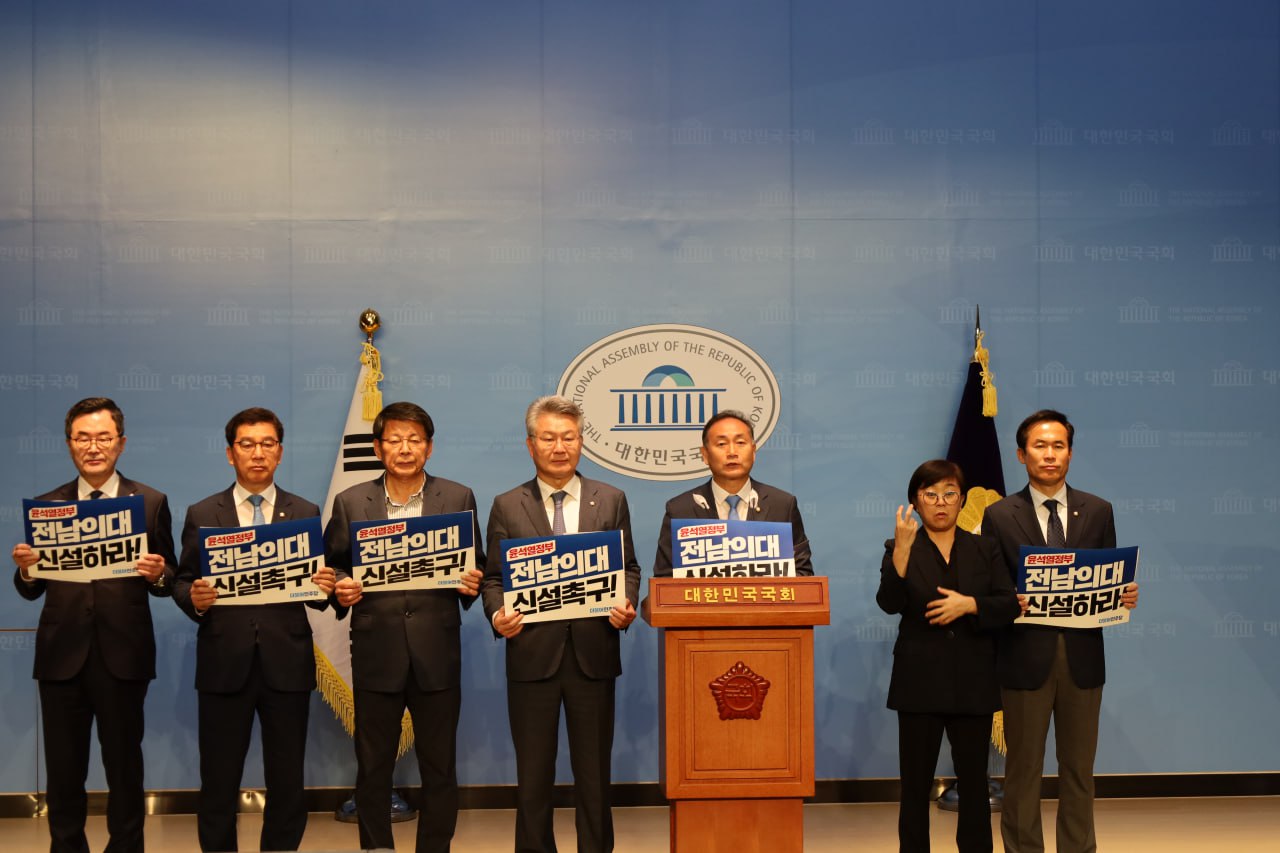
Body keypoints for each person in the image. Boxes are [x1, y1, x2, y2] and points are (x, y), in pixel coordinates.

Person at [10, 396, 176, 853]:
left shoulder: (150, 502)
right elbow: (29, 588)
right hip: (61, 657)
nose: (93, 446)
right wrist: (27, 568)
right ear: (69, 445)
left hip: (124, 656)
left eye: (103, 437)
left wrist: (158, 572)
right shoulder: (48, 507)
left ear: (121, 443)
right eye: (83, 437)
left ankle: (126, 847)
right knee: (64, 770)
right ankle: (66, 847)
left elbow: (170, 580)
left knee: (124, 766)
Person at [171, 408, 338, 852]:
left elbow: (316, 586)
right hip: (224, 664)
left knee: (287, 776)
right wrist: (194, 598)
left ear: (280, 453)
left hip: (287, 662)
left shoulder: (304, 511)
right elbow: (182, 580)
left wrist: (325, 586)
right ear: (230, 454)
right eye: (247, 444)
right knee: (219, 777)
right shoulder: (204, 512)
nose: (257, 453)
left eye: (267, 444)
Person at [480, 395, 641, 853]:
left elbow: (629, 568)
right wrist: (498, 615)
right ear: (530, 444)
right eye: (548, 437)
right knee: (533, 777)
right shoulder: (508, 505)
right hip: (531, 657)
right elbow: (493, 578)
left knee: (594, 775)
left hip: (594, 656)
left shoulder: (610, 499)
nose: (559, 447)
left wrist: (626, 604)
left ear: (581, 442)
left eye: (568, 437)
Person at [325, 401, 485, 853]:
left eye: (415, 439)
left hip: (437, 650)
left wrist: (471, 583)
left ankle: (434, 848)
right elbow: (334, 568)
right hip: (377, 650)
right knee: (372, 765)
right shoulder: (351, 501)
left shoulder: (457, 498)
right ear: (378, 447)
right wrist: (341, 587)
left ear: (429, 448)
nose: (405, 448)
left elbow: (476, 568)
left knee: (440, 766)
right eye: (394, 439)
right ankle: (377, 848)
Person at [981, 410, 1139, 853]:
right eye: (1039, 446)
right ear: (1021, 454)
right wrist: (1008, 600)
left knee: (1078, 770)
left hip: (1083, 660)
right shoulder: (998, 514)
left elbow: (1108, 577)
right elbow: (991, 587)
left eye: (1058, 446)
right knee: (1023, 771)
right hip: (1023, 658)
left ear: (1070, 452)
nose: (1049, 455)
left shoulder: (1099, 510)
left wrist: (1121, 595)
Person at [877, 460, 1021, 853]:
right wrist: (902, 554)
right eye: (930, 495)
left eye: (949, 494)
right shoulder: (900, 546)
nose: (940, 503)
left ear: (961, 500)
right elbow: (889, 603)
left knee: (973, 781)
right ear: (915, 501)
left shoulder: (984, 547)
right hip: (918, 681)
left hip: (973, 679)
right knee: (916, 783)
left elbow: (1008, 604)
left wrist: (971, 605)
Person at [651, 409, 813, 577]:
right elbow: (665, 580)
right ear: (705, 455)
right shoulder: (680, 510)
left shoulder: (782, 505)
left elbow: (803, 574)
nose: (732, 452)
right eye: (721, 444)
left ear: (753, 451)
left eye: (740, 442)